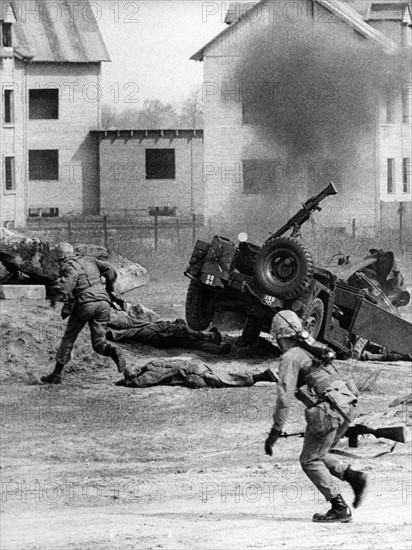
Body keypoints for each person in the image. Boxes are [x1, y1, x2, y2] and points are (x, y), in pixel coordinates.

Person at [264, 310, 368, 523]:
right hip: (347, 405)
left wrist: (275, 430)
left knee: (309, 460)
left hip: (330, 411)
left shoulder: (291, 356)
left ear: (280, 337)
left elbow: (284, 398)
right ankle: (353, 477)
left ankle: (339, 507)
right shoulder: (314, 348)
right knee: (320, 452)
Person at [41, 243, 126, 384]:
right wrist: (109, 288)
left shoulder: (67, 266)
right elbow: (110, 269)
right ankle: (113, 351)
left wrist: (58, 294)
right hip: (104, 303)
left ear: (60, 257)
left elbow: (69, 282)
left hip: (86, 304)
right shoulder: (89, 260)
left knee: (69, 338)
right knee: (99, 343)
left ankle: (56, 375)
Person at [107, 308, 230, 354]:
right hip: (161, 327)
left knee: (137, 332)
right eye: (211, 333)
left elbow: (208, 347)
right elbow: (179, 322)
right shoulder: (195, 331)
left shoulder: (194, 339)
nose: (208, 334)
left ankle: (112, 334)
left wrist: (221, 349)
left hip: (160, 336)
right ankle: (111, 322)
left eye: (211, 336)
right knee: (134, 322)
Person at [116, 357, 278, 388]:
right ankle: (261, 376)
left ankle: (261, 376)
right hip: (194, 364)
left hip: (192, 371)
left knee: (226, 381)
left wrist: (125, 382)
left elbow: (142, 382)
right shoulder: (152, 362)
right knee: (227, 375)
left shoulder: (150, 372)